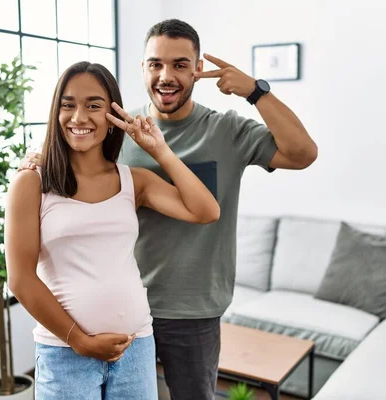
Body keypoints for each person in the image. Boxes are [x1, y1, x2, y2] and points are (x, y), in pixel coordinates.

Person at [21, 19, 317, 400]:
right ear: (142, 69)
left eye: (180, 64)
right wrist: (39, 159)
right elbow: (74, 165)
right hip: (125, 306)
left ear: (197, 69)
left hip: (192, 309)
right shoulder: (117, 132)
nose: (166, 75)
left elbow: (302, 154)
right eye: (155, 64)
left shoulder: (225, 131)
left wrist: (256, 92)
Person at [4, 61, 220, 400]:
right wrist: (80, 340)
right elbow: (20, 279)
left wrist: (158, 149)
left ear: (112, 116)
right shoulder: (32, 182)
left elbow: (206, 211)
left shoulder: (134, 180)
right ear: (55, 112)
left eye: (93, 105)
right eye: (68, 104)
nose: (79, 117)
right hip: (65, 352)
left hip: (136, 345)